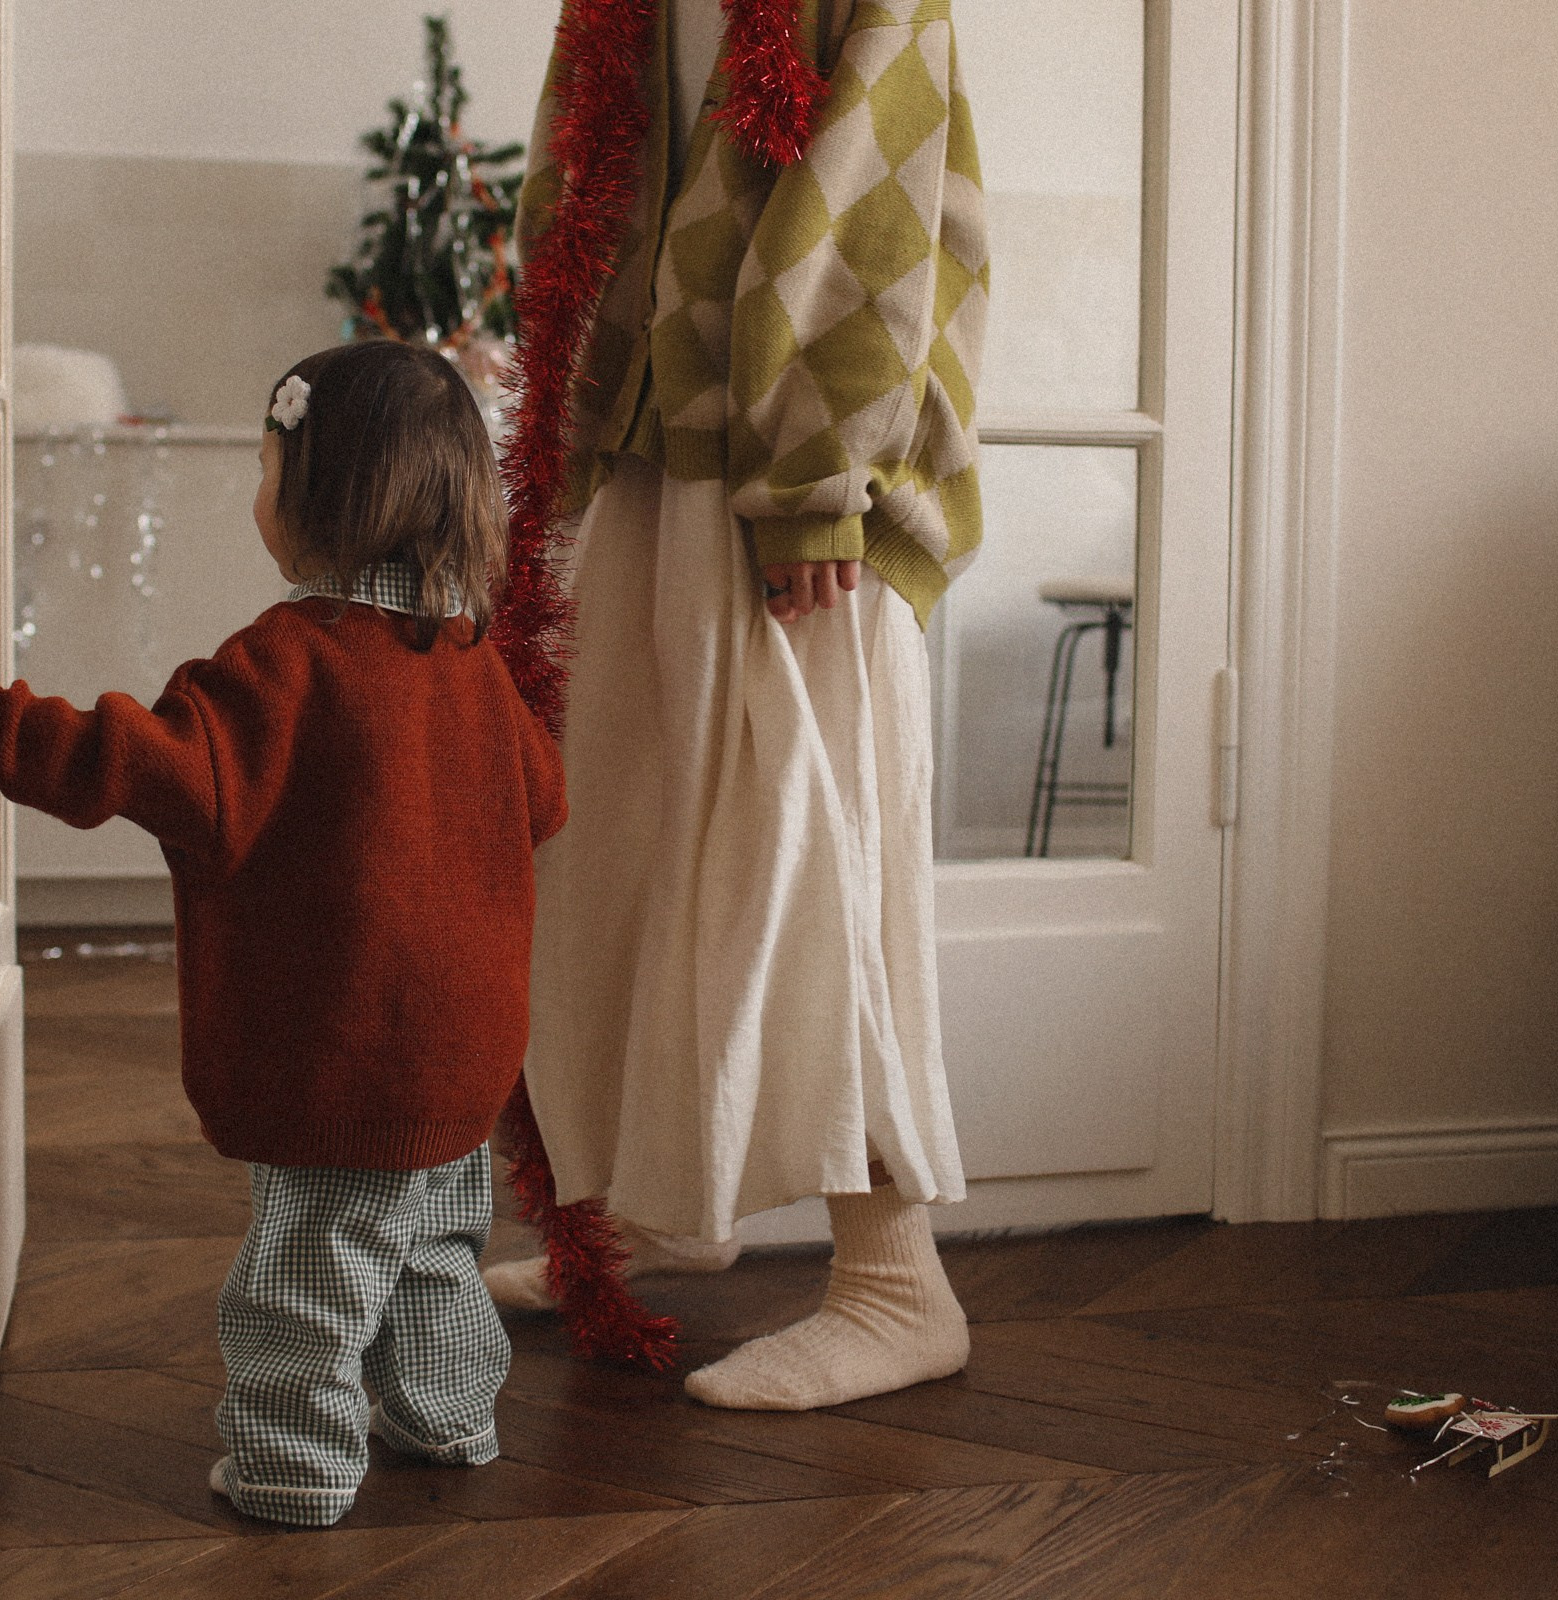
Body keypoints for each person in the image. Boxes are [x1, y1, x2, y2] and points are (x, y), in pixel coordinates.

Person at [0, 339, 567, 1527]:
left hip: (342, 1053)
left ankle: (294, 1465)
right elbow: (546, 800)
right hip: (466, 1053)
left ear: (324, 495)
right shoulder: (476, 665)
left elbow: (137, 763)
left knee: (309, 1269)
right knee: (432, 1247)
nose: (257, 490)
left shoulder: (285, 663)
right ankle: (448, 1414)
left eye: (267, 466)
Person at [484, 0, 989, 1412]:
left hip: (798, 498)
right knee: (624, 848)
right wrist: (562, 436)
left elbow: (879, 205)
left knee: (809, 867)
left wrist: (818, 481)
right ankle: (658, 1199)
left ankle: (896, 1281)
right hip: (656, 465)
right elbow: (571, 191)